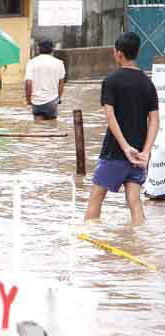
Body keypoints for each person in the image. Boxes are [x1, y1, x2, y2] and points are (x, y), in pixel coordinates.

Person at [84, 32, 160, 226]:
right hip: (139, 156)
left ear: (117, 53)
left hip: (115, 153)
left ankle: (88, 243)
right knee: (134, 202)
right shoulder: (148, 83)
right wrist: (145, 152)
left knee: (96, 199)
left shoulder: (111, 81)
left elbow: (110, 117)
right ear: (137, 53)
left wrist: (125, 147)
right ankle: (138, 242)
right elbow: (154, 121)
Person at [25, 39, 65, 120]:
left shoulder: (31, 62)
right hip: (52, 100)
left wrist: (28, 100)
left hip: (36, 101)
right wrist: (58, 98)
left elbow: (28, 83)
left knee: (38, 128)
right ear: (52, 49)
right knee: (52, 127)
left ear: (39, 48)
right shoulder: (59, 63)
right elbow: (61, 83)